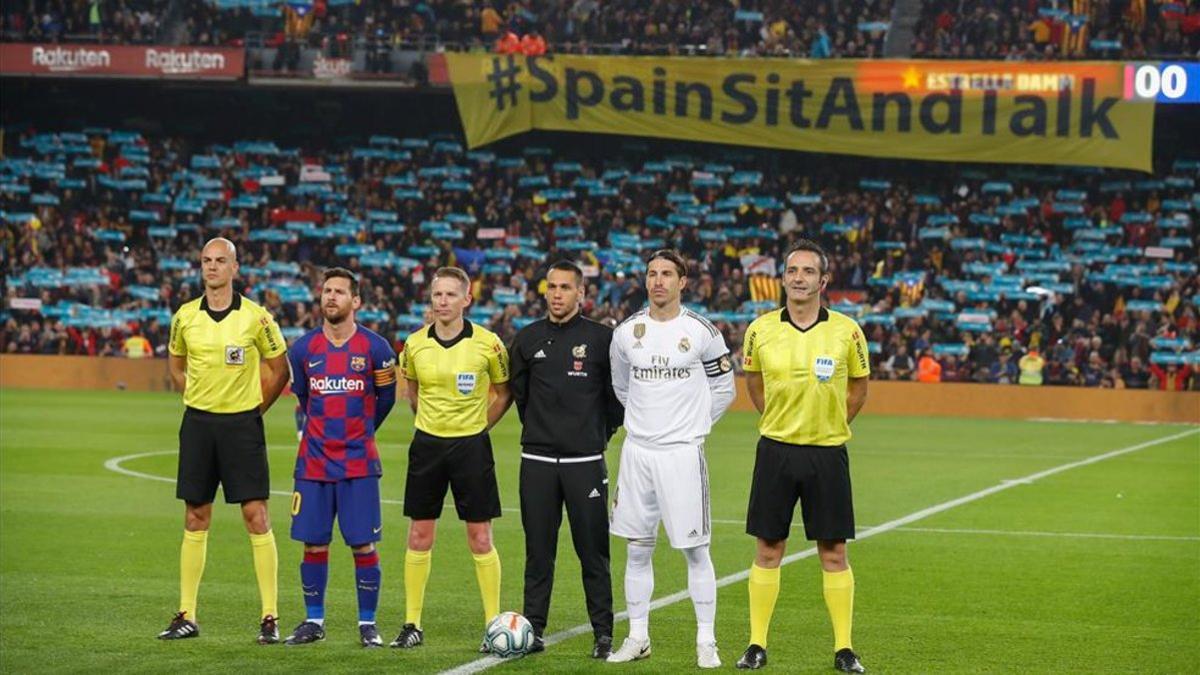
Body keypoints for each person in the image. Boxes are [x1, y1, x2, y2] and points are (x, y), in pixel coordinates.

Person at [736, 240, 869, 673]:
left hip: (827, 454)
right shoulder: (759, 329)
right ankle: (756, 644)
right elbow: (754, 384)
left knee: (833, 552)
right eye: (792, 270)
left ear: (823, 280)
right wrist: (782, 420)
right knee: (768, 548)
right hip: (775, 451)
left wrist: (827, 423)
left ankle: (844, 649)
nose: (798, 277)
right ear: (783, 279)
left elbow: (858, 390)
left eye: (808, 271)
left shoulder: (848, 330)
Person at [606, 250, 735, 669]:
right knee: (637, 549)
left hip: (682, 454)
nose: (658, 281)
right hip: (638, 453)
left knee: (696, 550)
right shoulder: (627, 332)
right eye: (651, 274)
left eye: (667, 274)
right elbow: (621, 387)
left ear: (683, 282)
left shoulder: (701, 331)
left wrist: (694, 428)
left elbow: (724, 389)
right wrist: (645, 425)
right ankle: (637, 637)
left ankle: (706, 642)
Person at [158, 237, 290, 644]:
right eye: (206, 261)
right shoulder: (184, 317)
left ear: (235, 268)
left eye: (220, 261)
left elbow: (279, 369)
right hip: (198, 425)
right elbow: (176, 365)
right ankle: (187, 614)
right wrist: (195, 398)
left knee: (256, 515)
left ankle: (270, 616)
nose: (212, 267)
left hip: (241, 426)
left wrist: (253, 412)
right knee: (196, 515)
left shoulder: (257, 318)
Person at [389, 267, 513, 651]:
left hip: (471, 448)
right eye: (436, 295)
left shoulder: (488, 344)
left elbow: (504, 392)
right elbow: (411, 391)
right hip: (427, 445)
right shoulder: (413, 344)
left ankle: (493, 625)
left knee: (479, 536)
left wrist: (478, 428)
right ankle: (412, 623)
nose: (441, 302)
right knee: (419, 534)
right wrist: (430, 424)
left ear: (466, 300)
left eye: (449, 295)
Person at [508, 260, 623, 658]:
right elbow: (522, 398)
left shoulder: (602, 340)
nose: (557, 294)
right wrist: (543, 435)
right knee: (538, 552)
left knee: (593, 552)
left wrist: (595, 436)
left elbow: (617, 401)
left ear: (581, 294)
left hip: (585, 463)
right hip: (536, 462)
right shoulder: (525, 339)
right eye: (552, 287)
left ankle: (603, 633)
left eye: (565, 288)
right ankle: (533, 630)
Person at [282, 268, 398, 648]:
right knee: (313, 543)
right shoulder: (302, 350)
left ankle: (368, 624)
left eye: (340, 292)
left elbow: (385, 400)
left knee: (363, 544)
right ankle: (314, 620)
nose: (331, 297)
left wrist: (360, 432)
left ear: (356, 301)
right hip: (313, 464)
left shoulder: (376, 349)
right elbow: (303, 399)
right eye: (327, 291)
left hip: (358, 463)